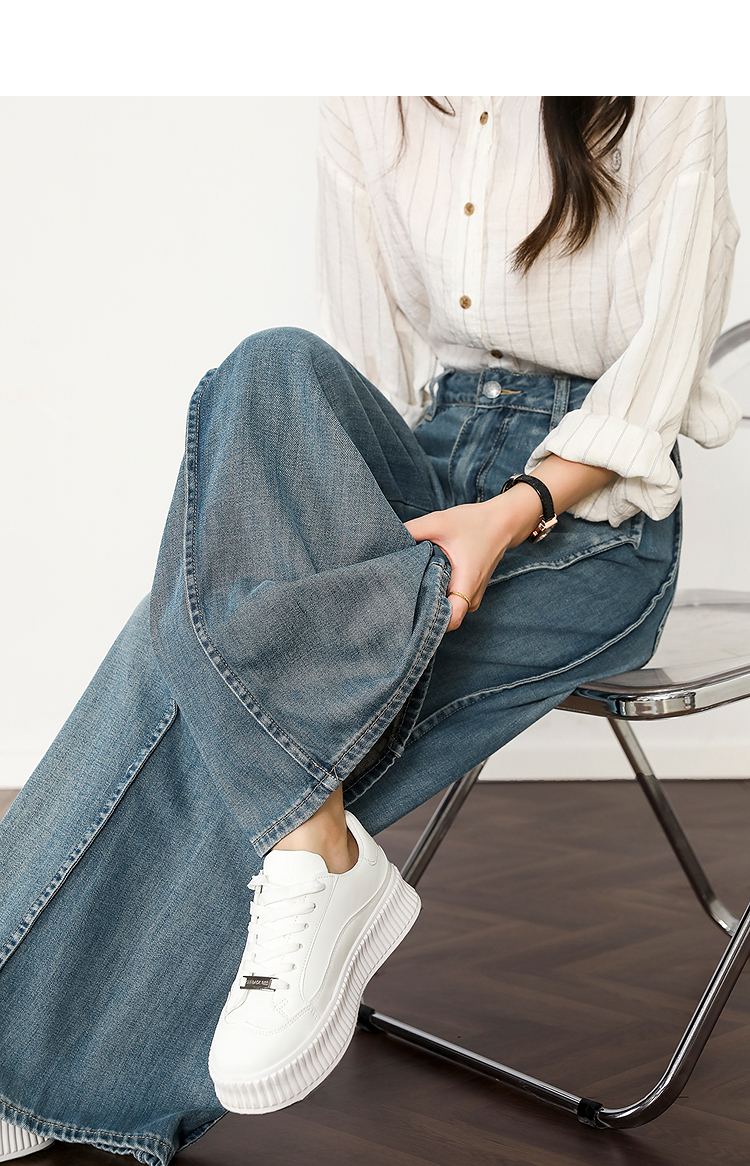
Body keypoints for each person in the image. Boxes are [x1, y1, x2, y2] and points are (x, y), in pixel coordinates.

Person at [0, 96, 739, 1165]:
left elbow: (660, 372)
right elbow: (363, 372)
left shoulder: (657, 87)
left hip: (592, 512)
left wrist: (510, 511)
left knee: (191, 664)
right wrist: (335, 541)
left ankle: (54, 1070)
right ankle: (316, 844)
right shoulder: (372, 96)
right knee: (268, 368)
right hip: (424, 458)